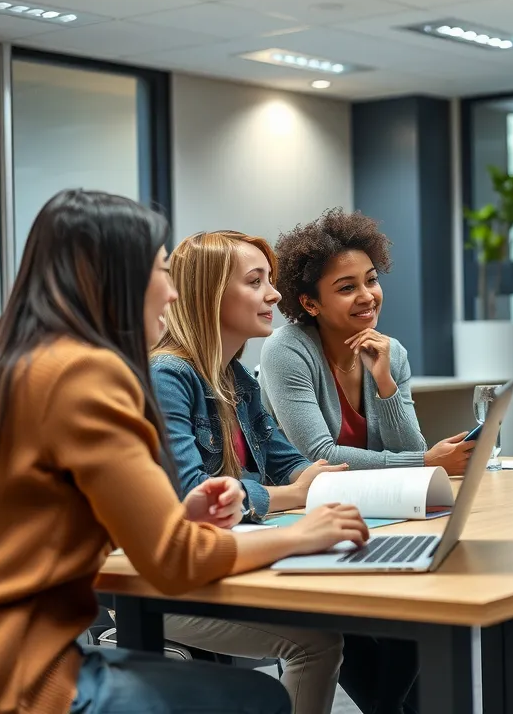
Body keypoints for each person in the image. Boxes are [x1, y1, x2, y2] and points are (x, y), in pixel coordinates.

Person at [0, 190, 369, 714]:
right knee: (260, 699)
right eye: (161, 272)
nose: (171, 293)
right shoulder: (90, 377)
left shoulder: (12, 365)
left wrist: (179, 514)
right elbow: (173, 560)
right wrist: (300, 533)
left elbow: (45, 523)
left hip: (1, 653)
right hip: (24, 676)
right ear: (116, 279)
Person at [151, 229, 418, 714]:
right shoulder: (168, 377)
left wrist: (304, 483)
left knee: (405, 616)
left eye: (270, 280)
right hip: (163, 581)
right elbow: (196, 496)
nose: (273, 294)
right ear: (208, 295)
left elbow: (294, 464)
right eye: (256, 282)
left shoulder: (234, 377)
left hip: (230, 554)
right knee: (317, 642)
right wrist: (290, 496)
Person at [259, 208, 472, 475]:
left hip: (373, 499)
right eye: (347, 287)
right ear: (310, 303)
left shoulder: (391, 353)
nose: (367, 296)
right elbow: (317, 457)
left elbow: (411, 449)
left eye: (371, 280)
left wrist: (385, 384)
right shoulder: (287, 349)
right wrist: (426, 462)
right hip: (300, 505)